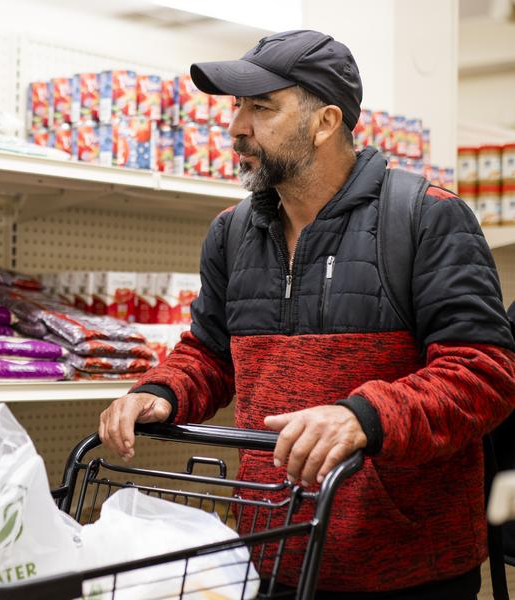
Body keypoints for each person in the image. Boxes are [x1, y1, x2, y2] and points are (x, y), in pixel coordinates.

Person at [98, 29, 515, 599]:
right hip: (272, 554)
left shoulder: (426, 219)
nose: (237, 127)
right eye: (238, 106)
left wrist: (363, 416)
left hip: (409, 571)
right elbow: (211, 352)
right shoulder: (233, 233)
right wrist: (163, 391)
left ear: (324, 123)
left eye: (262, 107)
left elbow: (484, 374)